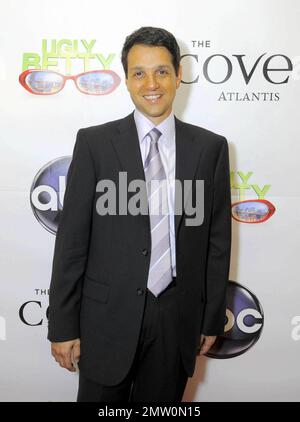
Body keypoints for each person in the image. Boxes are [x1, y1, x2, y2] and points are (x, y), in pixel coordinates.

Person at [48, 26, 231, 402]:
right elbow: (71, 242)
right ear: (126, 81)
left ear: (179, 76)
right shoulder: (95, 144)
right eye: (139, 73)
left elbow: (217, 241)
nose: (152, 83)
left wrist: (211, 317)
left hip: (176, 320)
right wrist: (62, 325)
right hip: (106, 318)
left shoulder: (210, 148)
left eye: (162, 71)